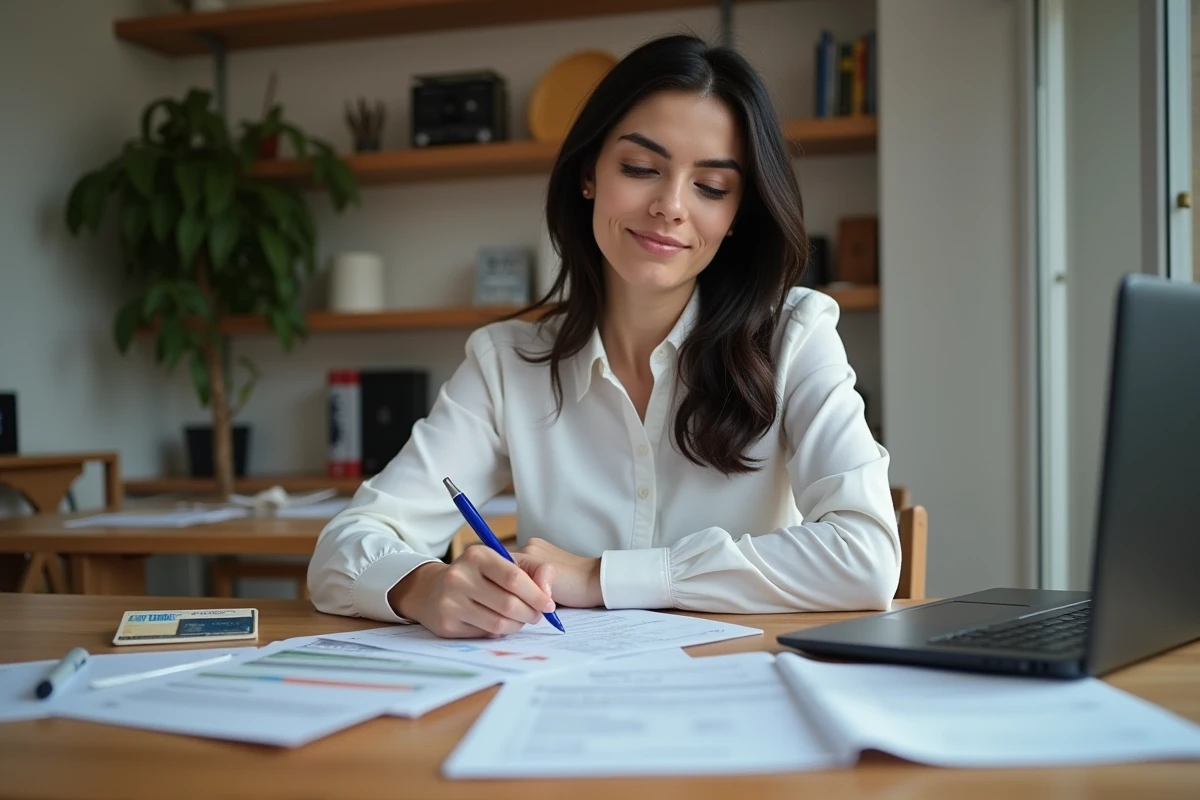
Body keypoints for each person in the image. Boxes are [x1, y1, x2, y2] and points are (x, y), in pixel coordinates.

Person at [309, 33, 900, 637]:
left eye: (712, 187)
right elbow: (344, 546)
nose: (670, 206)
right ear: (589, 173)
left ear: (735, 217)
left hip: (739, 682)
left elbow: (867, 557)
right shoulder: (508, 363)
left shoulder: (794, 335)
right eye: (641, 168)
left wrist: (601, 577)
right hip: (559, 687)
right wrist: (424, 585)